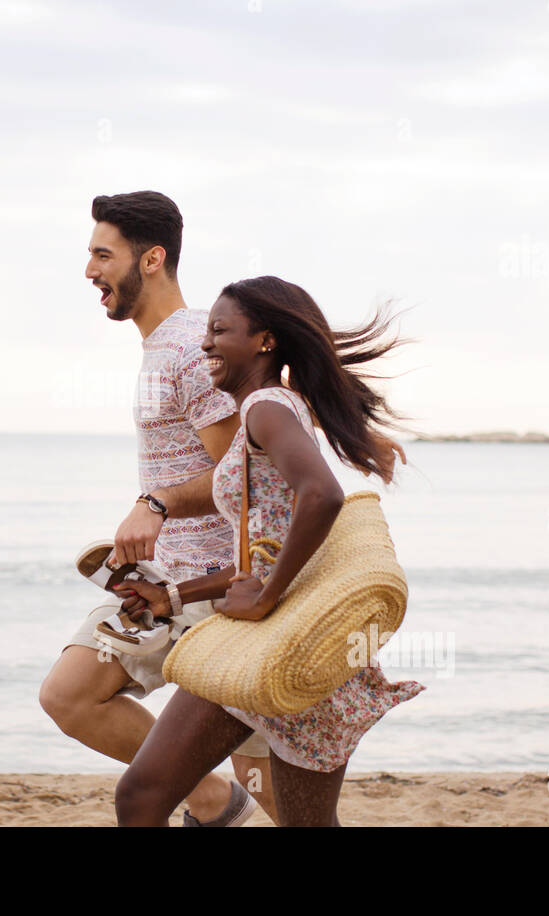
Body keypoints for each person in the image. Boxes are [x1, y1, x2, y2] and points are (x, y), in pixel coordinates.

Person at [112, 275, 425, 827]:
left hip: (279, 640)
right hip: (298, 644)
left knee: (141, 798)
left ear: (264, 341)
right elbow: (262, 558)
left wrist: (265, 597)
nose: (205, 344)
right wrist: (171, 597)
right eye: (206, 331)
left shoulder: (265, 408)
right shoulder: (273, 408)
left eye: (219, 330)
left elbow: (323, 494)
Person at [38, 191, 278, 826]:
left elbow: (242, 474)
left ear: (151, 259)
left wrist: (156, 503)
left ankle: (220, 801)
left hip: (218, 592)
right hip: (165, 586)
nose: (90, 270)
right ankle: (210, 800)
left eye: (101, 254)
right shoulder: (162, 350)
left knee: (273, 787)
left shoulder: (189, 354)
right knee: (70, 694)